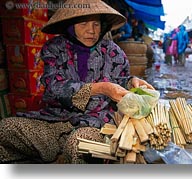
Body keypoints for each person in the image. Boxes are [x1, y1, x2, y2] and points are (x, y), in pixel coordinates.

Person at [0, 0, 154, 164]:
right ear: (70, 25)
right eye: (83, 23)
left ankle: (65, 153)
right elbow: (54, 88)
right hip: (55, 120)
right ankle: (53, 150)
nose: (91, 30)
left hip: (95, 122)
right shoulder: (54, 48)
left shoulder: (113, 52)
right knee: (5, 128)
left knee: (79, 146)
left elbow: (121, 81)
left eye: (96, 24)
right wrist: (101, 88)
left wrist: (132, 82)